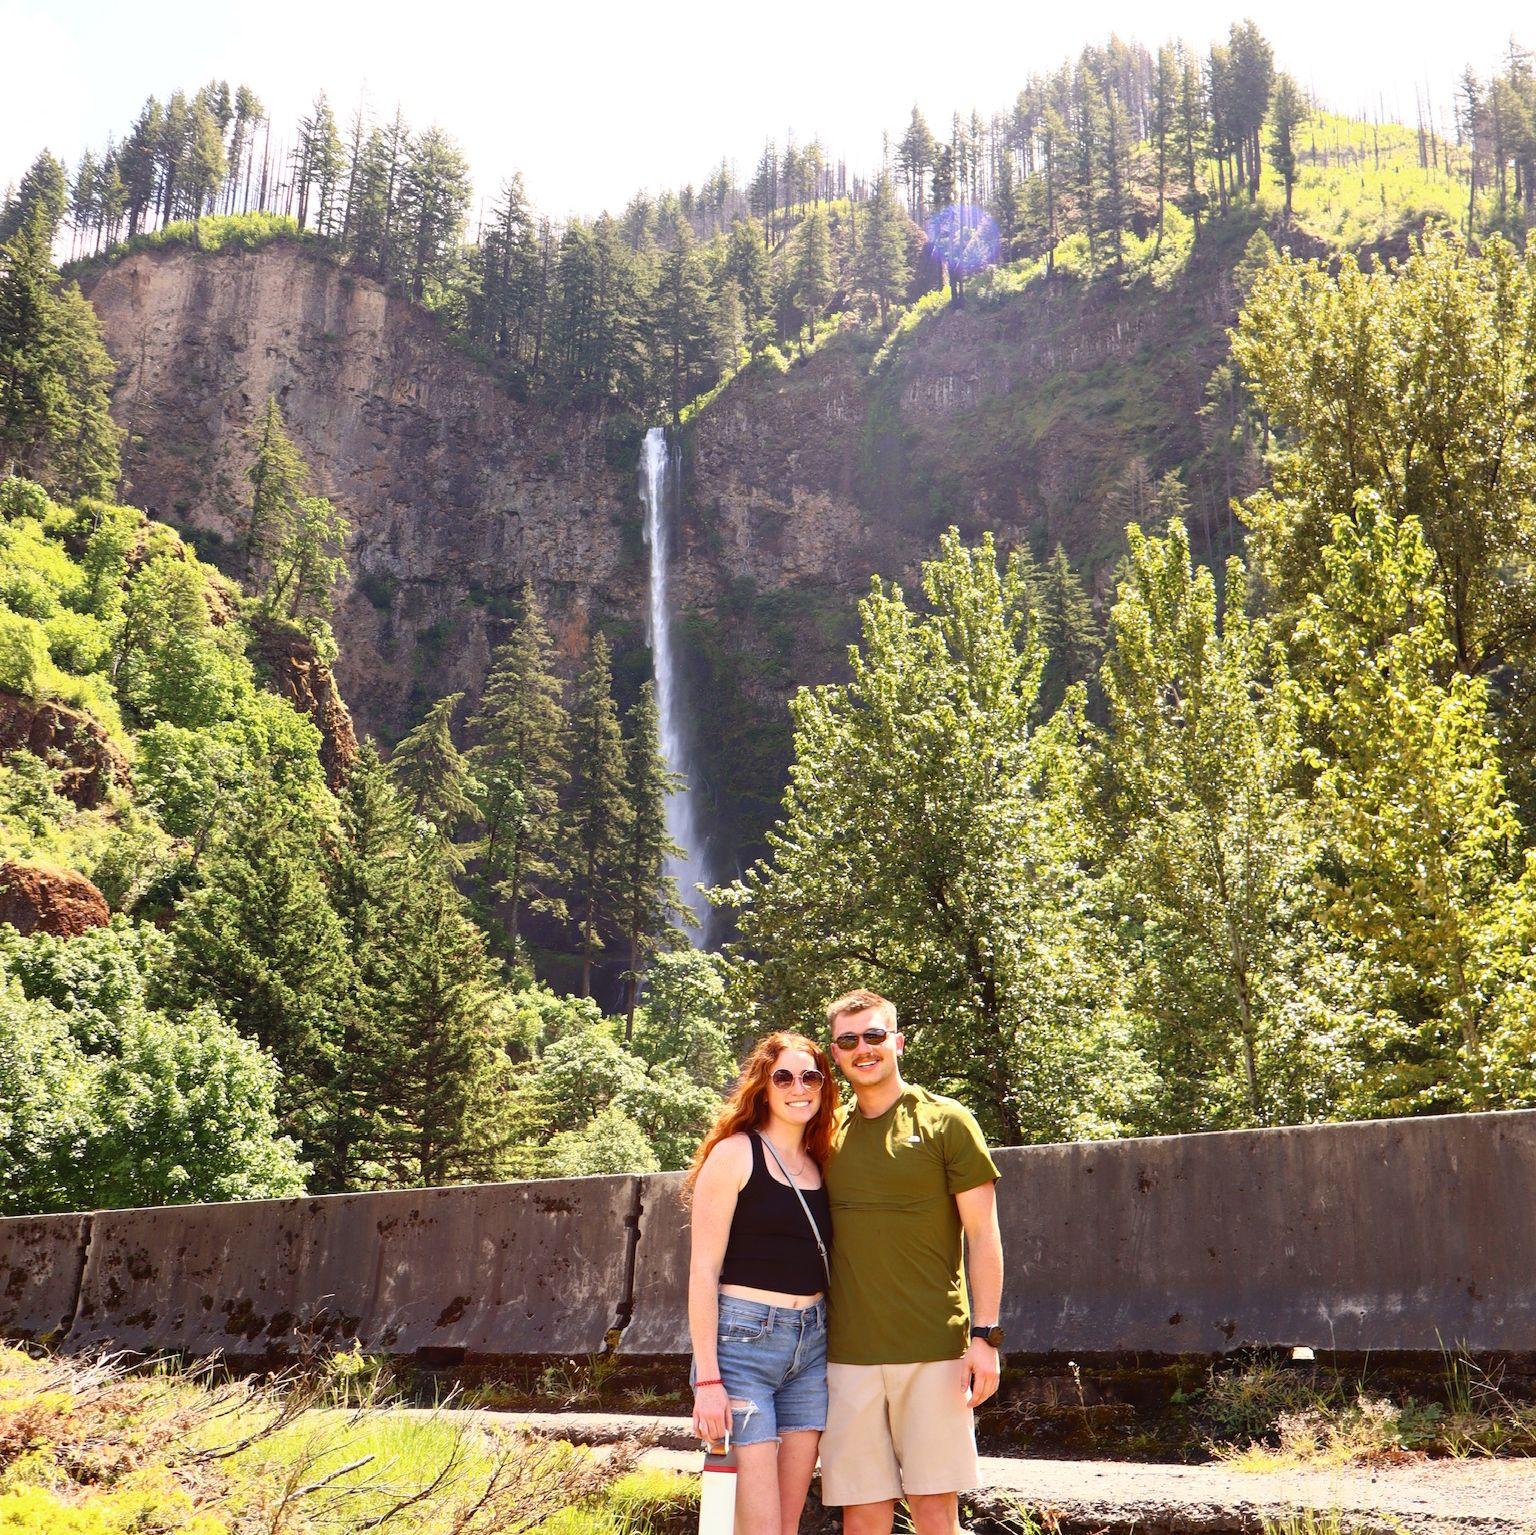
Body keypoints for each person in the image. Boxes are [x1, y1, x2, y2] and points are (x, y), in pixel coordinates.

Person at [817, 989, 1004, 1535]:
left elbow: (984, 1237)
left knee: (933, 1509)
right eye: (848, 1040)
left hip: (934, 1350)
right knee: (863, 1512)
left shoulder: (948, 1122)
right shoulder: (824, 1134)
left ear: (897, 1042)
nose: (863, 1049)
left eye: (874, 1036)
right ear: (835, 1053)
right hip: (846, 1355)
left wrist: (986, 1337)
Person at [686, 1031, 839, 1535]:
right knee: (759, 1526)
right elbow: (703, 1271)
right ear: (764, 1086)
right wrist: (707, 1381)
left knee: (787, 1525)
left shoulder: (824, 1162)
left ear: (823, 1087)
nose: (800, 1087)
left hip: (811, 1347)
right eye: (785, 1077)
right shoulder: (735, 1154)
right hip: (743, 1345)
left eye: (811, 1076)